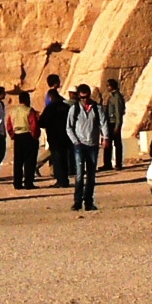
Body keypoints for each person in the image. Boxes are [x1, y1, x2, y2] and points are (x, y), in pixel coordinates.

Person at [65, 84, 103, 212]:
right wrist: (76, 142)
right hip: (80, 145)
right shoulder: (74, 109)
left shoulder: (97, 108)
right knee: (80, 174)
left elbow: (103, 123)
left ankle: (89, 201)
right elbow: (69, 127)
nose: (85, 100)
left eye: (86, 97)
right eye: (82, 97)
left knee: (91, 175)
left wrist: (106, 138)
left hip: (93, 145)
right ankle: (77, 202)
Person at [40, 76, 71, 188]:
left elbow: (42, 122)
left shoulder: (50, 108)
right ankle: (65, 179)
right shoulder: (65, 107)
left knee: (57, 158)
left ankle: (61, 180)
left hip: (54, 135)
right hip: (65, 135)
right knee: (64, 158)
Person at [9, 90, 40, 190]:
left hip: (17, 136)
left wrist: (12, 135)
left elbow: (9, 125)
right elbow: (33, 124)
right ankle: (28, 182)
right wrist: (35, 136)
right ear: (27, 99)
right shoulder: (29, 110)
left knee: (18, 160)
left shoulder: (13, 111)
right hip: (28, 135)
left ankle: (17, 183)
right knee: (29, 160)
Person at [101, 80, 127, 172]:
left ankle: (118, 163)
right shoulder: (112, 96)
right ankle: (107, 163)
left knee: (117, 144)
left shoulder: (117, 97)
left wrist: (118, 125)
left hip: (114, 123)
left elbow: (118, 112)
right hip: (109, 122)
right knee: (108, 143)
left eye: (108, 86)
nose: (107, 87)